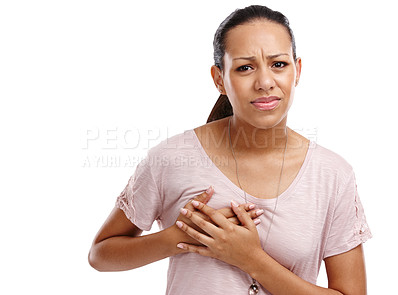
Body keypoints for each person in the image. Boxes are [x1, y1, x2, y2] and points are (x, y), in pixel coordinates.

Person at [88, 5, 372, 295]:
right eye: (244, 67)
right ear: (219, 78)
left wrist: (251, 259)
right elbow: (100, 255)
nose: (264, 82)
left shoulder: (333, 175)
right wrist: (179, 236)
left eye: (278, 64)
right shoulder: (172, 158)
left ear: (297, 71)